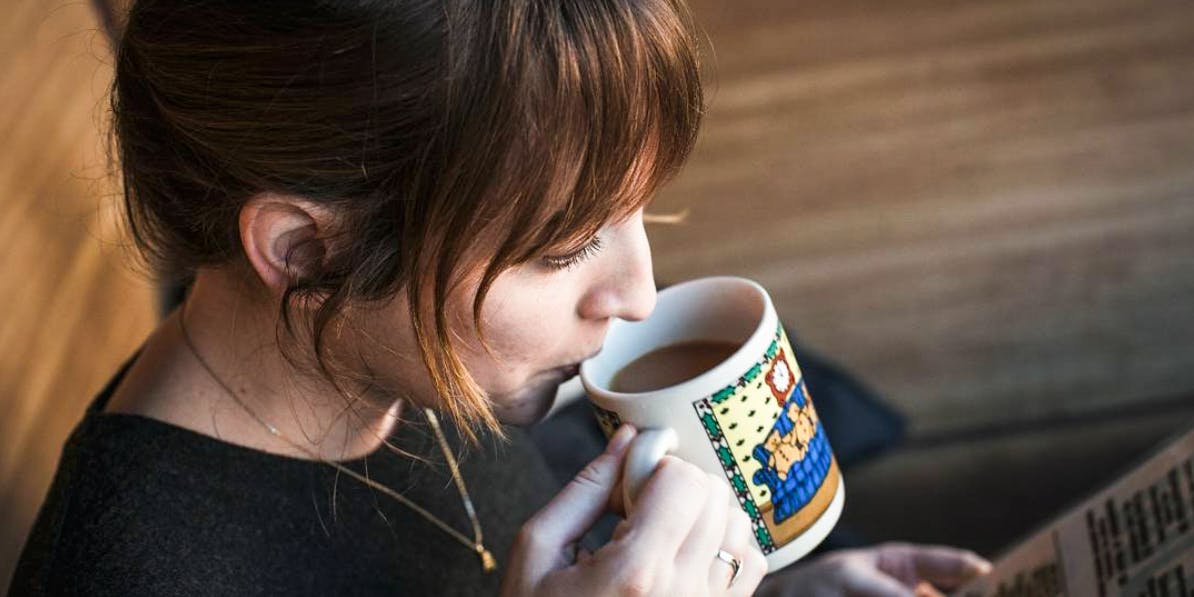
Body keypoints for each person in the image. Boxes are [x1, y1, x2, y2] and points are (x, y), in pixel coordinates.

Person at [9, 0, 991, 595]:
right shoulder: (146, 573)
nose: (639, 296)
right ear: (306, 251)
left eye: (641, 213)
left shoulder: (402, 366)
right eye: (564, 248)